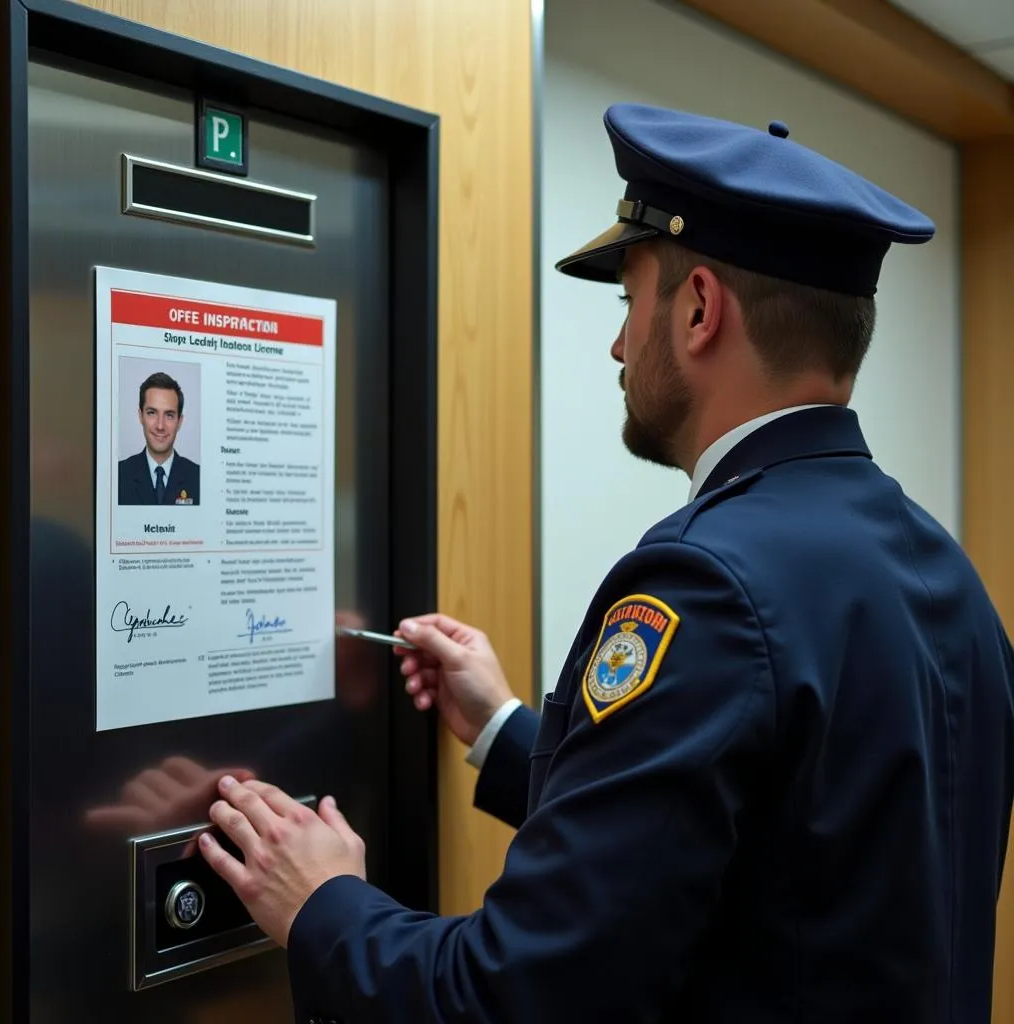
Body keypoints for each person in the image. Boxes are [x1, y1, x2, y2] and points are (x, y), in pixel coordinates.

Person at [199, 104, 1014, 1022]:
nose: (621, 345)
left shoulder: (708, 585)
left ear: (700, 309)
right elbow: (779, 860)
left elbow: (516, 996)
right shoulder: (946, 574)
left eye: (631, 302)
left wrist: (324, 906)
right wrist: (503, 727)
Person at [117, 370, 201, 505]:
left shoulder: (199, 478)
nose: (160, 426)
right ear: (140, 416)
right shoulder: (118, 475)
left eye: (169, 415)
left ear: (179, 421)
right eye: (152, 413)